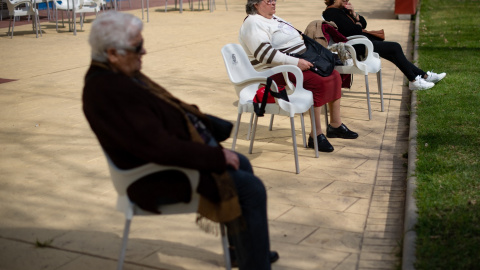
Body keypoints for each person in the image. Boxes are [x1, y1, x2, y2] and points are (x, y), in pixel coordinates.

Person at [82, 11, 278, 270]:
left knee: (241, 163)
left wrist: (206, 126)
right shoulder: (111, 90)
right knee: (251, 189)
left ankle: (244, 252)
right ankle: (254, 264)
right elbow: (157, 146)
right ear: (112, 53)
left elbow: (163, 115)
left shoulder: (116, 76)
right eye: (138, 47)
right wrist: (215, 156)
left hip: (160, 164)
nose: (144, 52)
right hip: (151, 177)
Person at [239, 0, 358, 153]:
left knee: (334, 74)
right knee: (319, 80)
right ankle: (316, 135)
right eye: (269, 0)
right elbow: (265, 55)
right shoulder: (253, 23)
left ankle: (335, 125)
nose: (273, 2)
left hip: (297, 61)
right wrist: (296, 62)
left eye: (274, 0)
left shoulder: (273, 18)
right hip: (275, 71)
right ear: (256, 4)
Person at [323, 0, 446, 91]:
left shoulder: (342, 10)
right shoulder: (332, 13)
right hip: (355, 46)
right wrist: (358, 24)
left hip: (362, 41)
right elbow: (355, 31)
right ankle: (415, 80)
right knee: (395, 47)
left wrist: (354, 13)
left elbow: (363, 24)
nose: (346, 0)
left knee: (393, 52)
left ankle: (422, 76)